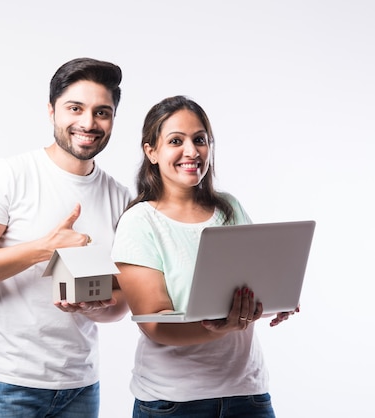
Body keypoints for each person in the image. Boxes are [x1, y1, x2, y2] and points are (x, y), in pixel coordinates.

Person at [0, 57, 131, 418]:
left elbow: (120, 303)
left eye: (101, 112)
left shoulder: (120, 197)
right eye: (75, 108)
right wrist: (44, 249)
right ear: (51, 110)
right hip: (6, 385)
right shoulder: (11, 175)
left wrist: (96, 305)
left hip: (81, 386)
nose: (88, 123)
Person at [111, 95, 298, 418]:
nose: (191, 151)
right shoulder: (140, 221)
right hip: (173, 402)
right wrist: (218, 328)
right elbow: (154, 323)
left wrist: (276, 299)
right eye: (175, 141)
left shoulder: (230, 207)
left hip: (247, 395)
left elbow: (246, 288)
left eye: (200, 140)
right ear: (151, 152)